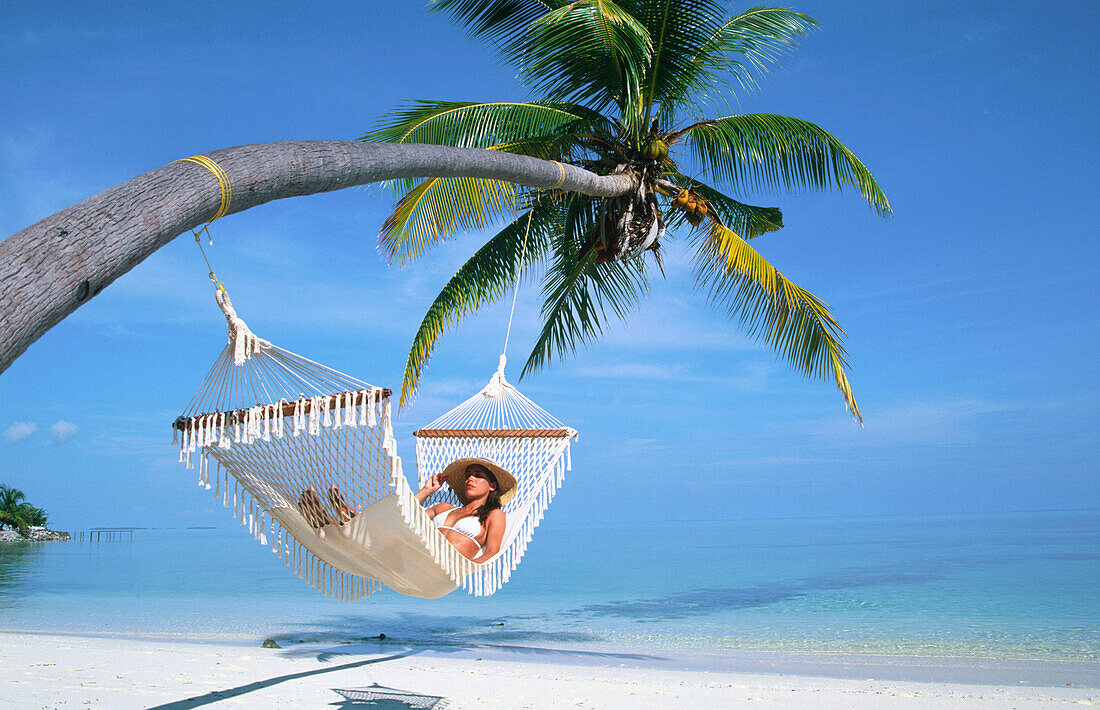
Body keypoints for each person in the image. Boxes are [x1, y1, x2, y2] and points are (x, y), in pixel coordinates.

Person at [414, 457, 515, 563]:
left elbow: (492, 552)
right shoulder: (443, 508)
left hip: (446, 570)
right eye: (468, 475)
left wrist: (466, 568)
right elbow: (408, 515)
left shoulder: (494, 515)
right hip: (417, 560)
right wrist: (426, 491)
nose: (470, 478)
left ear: (492, 486)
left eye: (478, 475)